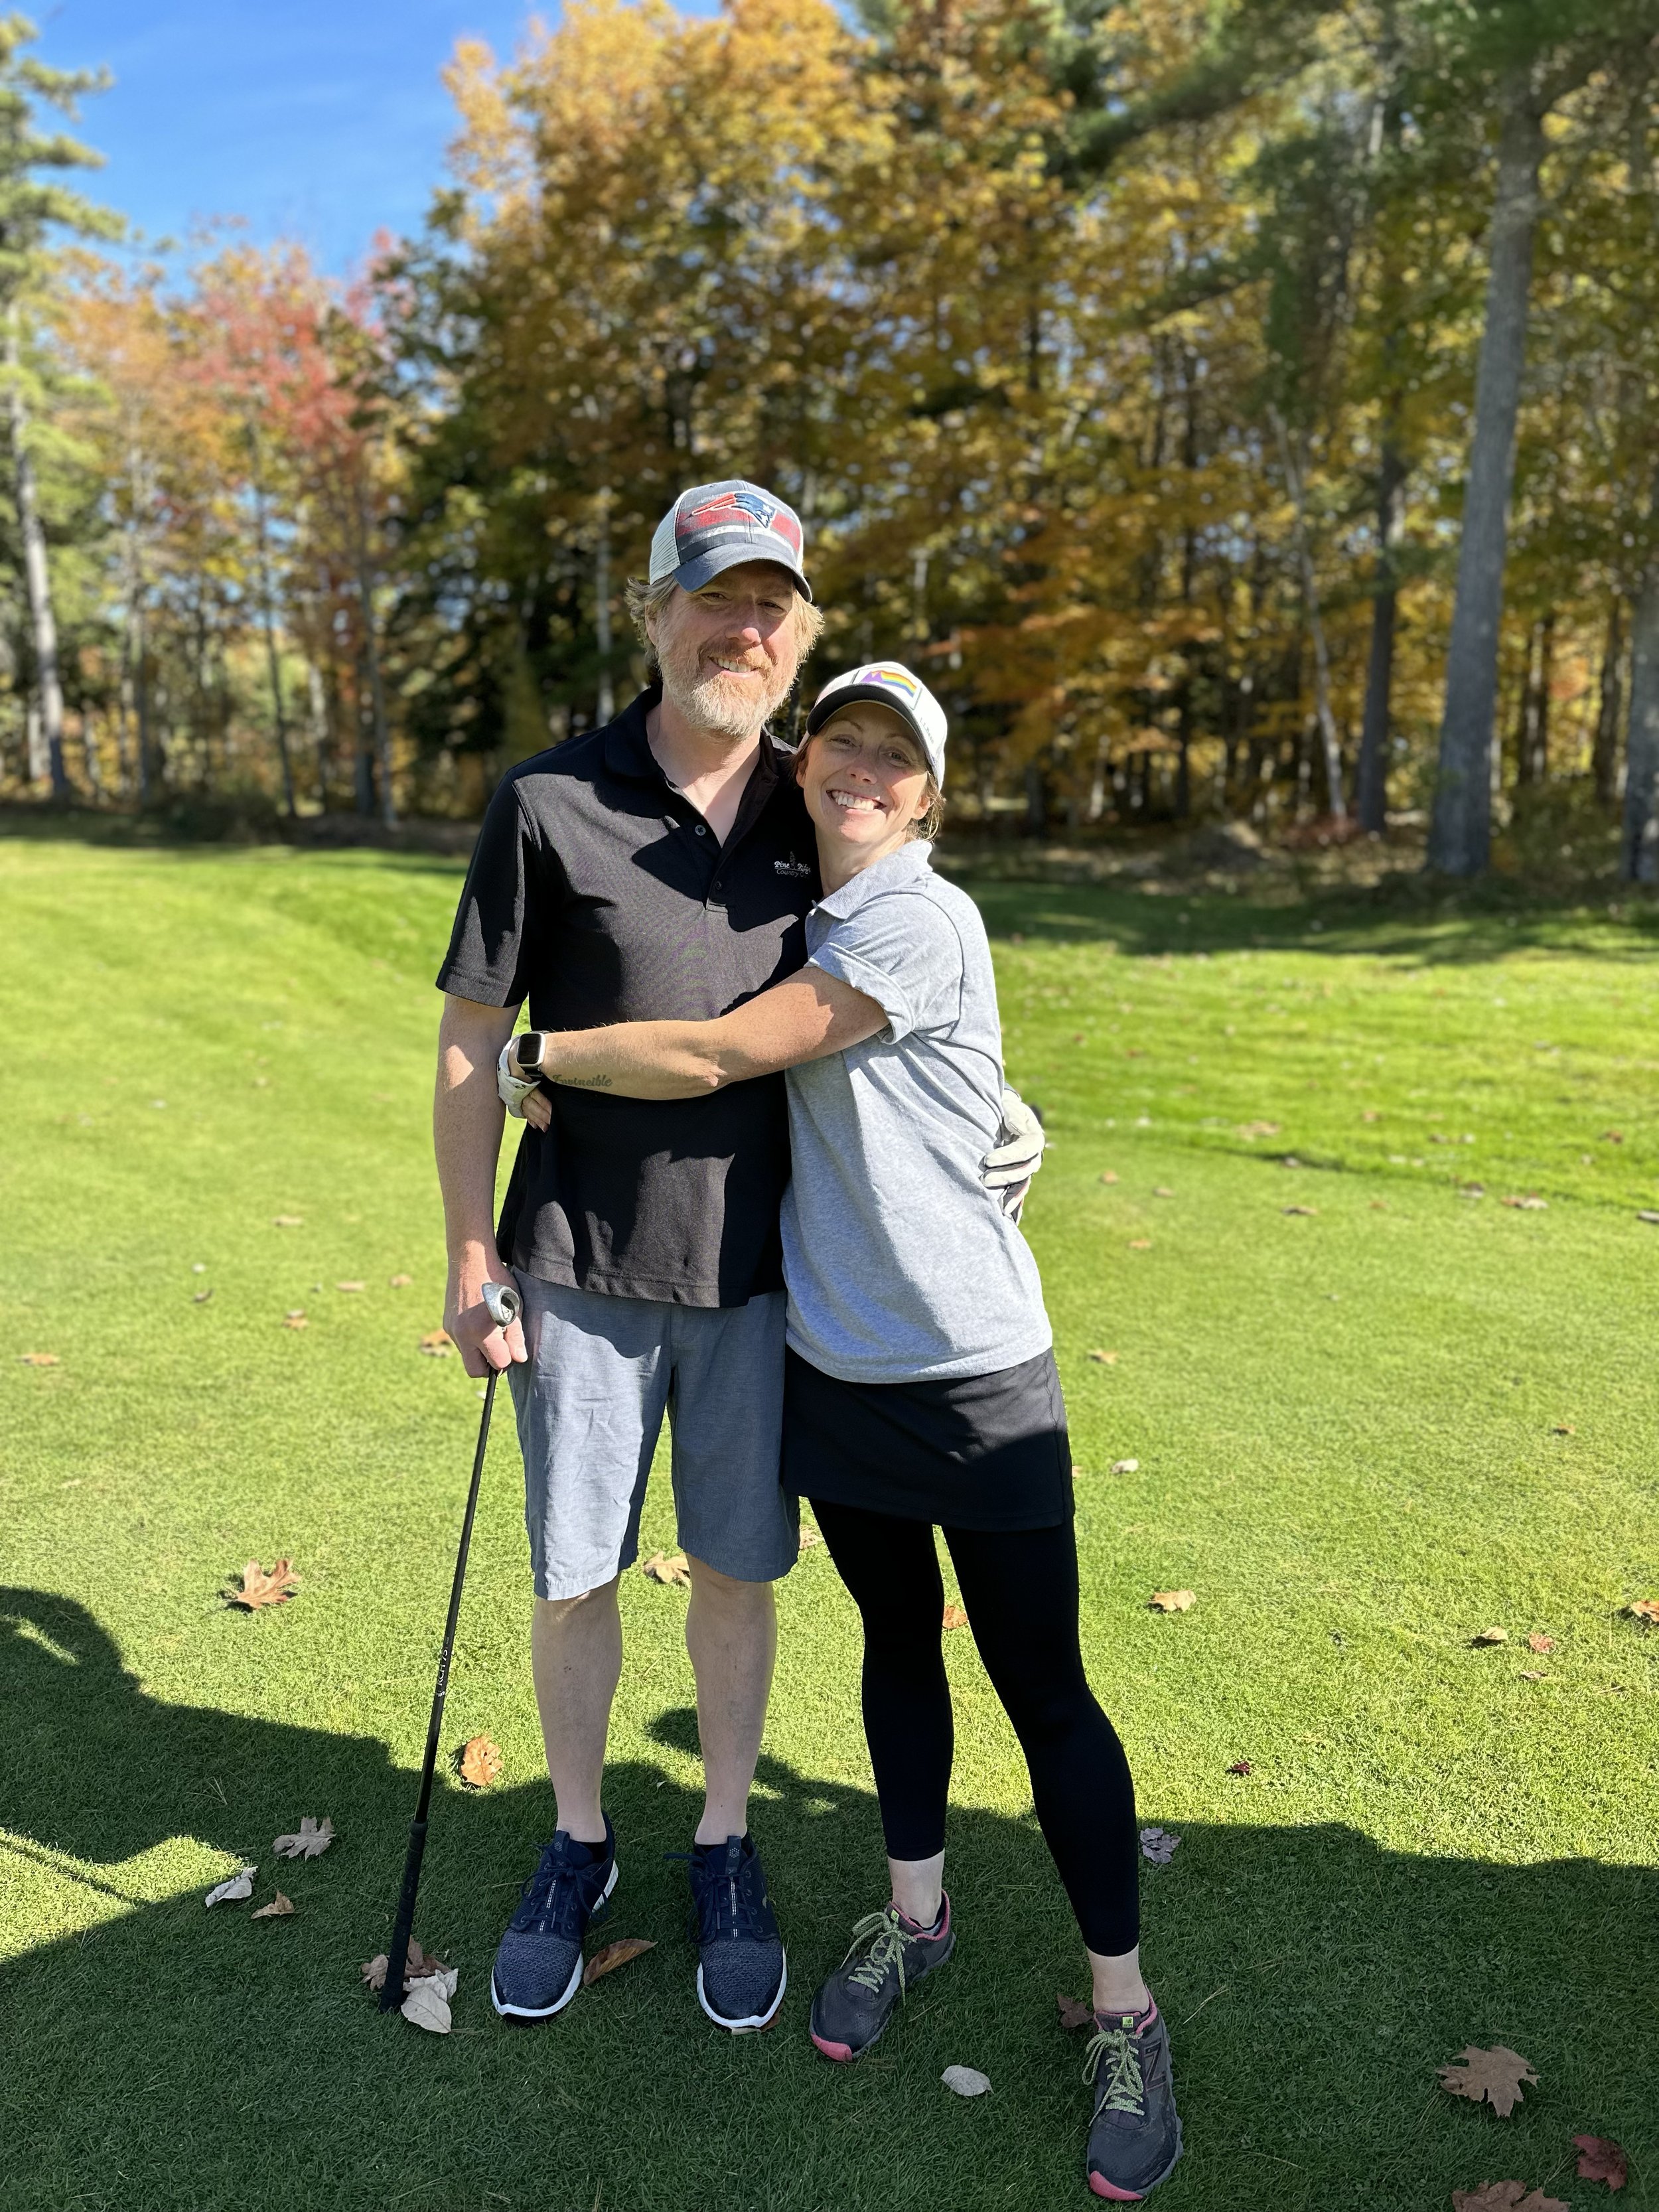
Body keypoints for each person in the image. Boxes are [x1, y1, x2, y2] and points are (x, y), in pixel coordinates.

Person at [514, 662, 1183, 2200]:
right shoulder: (801, 907)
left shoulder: (914, 916)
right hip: (833, 1365)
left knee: (1043, 1687)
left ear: (929, 795)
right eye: (842, 746)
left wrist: (540, 1054)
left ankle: (1126, 2007)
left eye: (896, 758)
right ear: (805, 761)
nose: (861, 771)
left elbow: (722, 1053)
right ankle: (914, 1909)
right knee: (895, 1646)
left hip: (970, 1370)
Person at [433, 480, 824, 2033]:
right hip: (579, 1265)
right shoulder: (549, 801)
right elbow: (475, 1042)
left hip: (769, 1270)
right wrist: (471, 1256)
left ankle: (722, 1836)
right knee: (573, 1568)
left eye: (772, 605)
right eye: (717, 596)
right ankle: (580, 1836)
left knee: (735, 1569)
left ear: (798, 635)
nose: (744, 627)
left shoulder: (829, 806)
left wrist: (1001, 1108)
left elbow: (912, 982)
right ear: (652, 609)